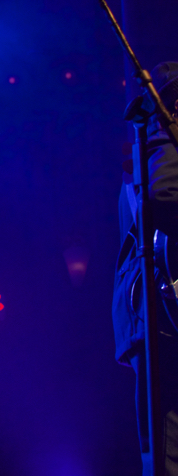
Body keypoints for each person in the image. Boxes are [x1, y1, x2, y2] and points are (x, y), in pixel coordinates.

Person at [115, 61, 178, 474]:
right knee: (167, 449)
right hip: (161, 317)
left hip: (159, 316)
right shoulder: (161, 145)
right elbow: (165, 196)